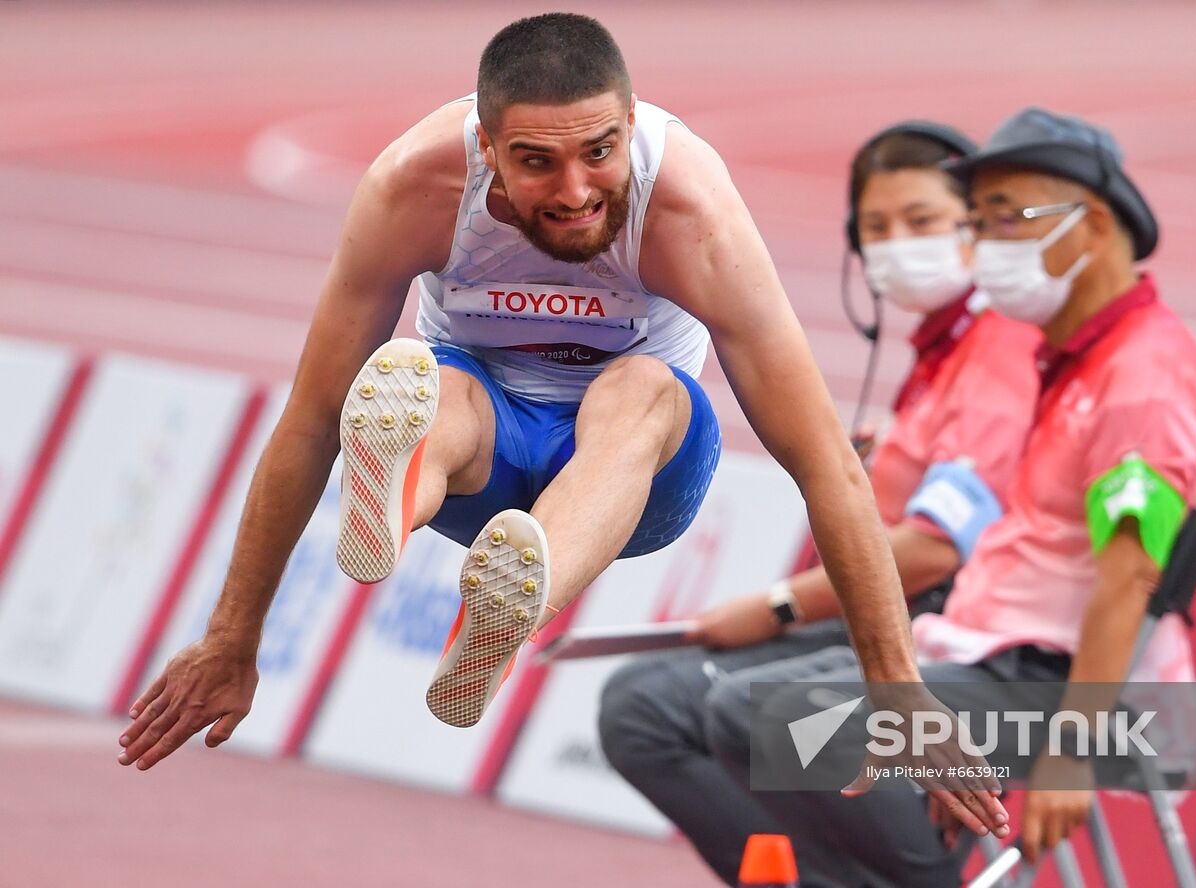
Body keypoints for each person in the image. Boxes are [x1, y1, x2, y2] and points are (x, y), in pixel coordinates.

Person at [113, 13, 1008, 839]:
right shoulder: (416, 186)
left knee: (646, 386)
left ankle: (509, 590)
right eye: (536, 161)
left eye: (600, 152)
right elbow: (311, 418)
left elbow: (825, 465)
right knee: (435, 386)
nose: (576, 191)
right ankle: (398, 503)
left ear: (629, 126)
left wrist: (896, 686)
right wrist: (234, 638)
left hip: (636, 477)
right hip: (482, 459)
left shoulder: (689, 209)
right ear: (486, 149)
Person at [702, 107, 1196, 885]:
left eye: (1007, 217)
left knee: (770, 717)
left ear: (1088, 226)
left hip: (1066, 690)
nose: (985, 244)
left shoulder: (1141, 379)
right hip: (995, 661)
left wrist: (1070, 753)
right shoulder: (1075, 360)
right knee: (734, 708)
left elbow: (1132, 574)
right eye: (979, 221)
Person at [596, 121, 1042, 886]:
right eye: (876, 227)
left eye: (922, 221)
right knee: (640, 708)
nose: (897, 244)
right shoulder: (940, 357)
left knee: (757, 712)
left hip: (968, 642)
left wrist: (776, 605)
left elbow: (937, 545)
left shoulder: (998, 351)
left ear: (978, 229)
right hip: (905, 622)